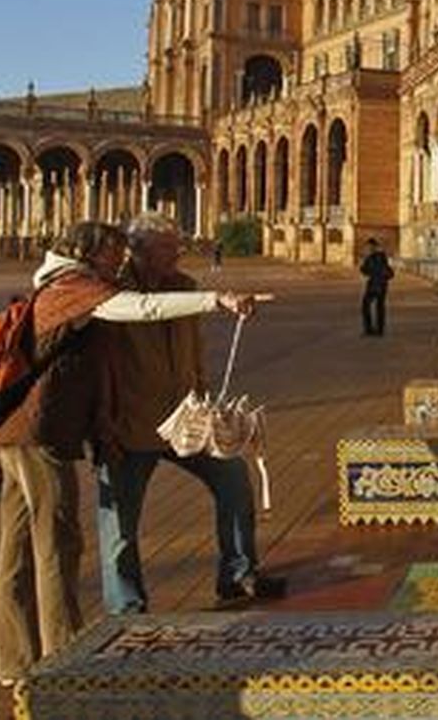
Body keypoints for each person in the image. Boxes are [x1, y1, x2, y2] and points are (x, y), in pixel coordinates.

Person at [0, 220, 257, 686]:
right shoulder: (75, 287)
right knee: (58, 543)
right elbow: (142, 309)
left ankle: (14, 663)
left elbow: (178, 339)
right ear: (91, 254)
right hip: (49, 434)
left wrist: (202, 392)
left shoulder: (80, 283)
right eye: (113, 257)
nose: (116, 266)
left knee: (16, 551)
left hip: (121, 425)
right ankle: (66, 657)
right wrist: (217, 299)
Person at [94, 211, 285, 613]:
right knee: (120, 523)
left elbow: (193, 350)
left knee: (233, 480)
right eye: (168, 248)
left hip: (186, 419)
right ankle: (126, 605)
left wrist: (203, 394)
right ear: (139, 251)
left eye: (178, 245)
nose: (178, 254)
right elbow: (145, 309)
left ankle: (238, 573)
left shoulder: (183, 284)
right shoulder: (111, 290)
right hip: (131, 424)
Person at [359, 238, 393, 336]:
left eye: (369, 247)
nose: (368, 249)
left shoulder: (373, 257)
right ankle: (379, 330)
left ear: (372, 247)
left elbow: (365, 270)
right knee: (379, 306)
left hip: (375, 285)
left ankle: (370, 329)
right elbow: (366, 270)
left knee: (367, 305)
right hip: (382, 285)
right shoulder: (381, 256)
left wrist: (366, 264)